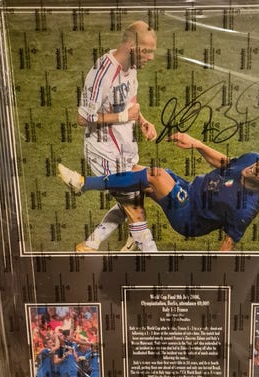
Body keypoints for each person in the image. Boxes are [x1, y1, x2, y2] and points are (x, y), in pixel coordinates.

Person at [58, 132, 259, 251]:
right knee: (135, 175)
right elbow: (226, 163)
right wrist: (197, 143)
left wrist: (216, 283)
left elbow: (228, 244)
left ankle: (83, 184)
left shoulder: (246, 208)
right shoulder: (253, 158)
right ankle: (97, 242)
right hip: (189, 188)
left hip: (190, 218)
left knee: (154, 176)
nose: (255, 167)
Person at [76, 20, 158, 253]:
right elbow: (83, 117)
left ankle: (90, 244)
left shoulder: (132, 65)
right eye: (147, 51)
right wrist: (123, 116)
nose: (151, 57)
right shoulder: (103, 72)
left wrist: (142, 120)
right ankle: (154, 258)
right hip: (104, 152)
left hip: (125, 148)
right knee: (135, 209)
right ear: (131, 45)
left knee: (133, 198)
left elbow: (130, 102)